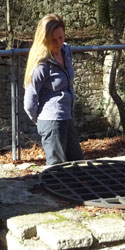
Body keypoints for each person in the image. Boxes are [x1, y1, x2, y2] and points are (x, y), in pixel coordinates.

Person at [23, 14, 84, 165]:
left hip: (67, 118)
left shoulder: (66, 51)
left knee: (77, 163)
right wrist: (42, 120)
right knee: (57, 168)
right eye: (53, 40)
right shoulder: (41, 65)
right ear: (44, 39)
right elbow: (29, 102)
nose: (58, 43)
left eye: (61, 38)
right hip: (51, 121)